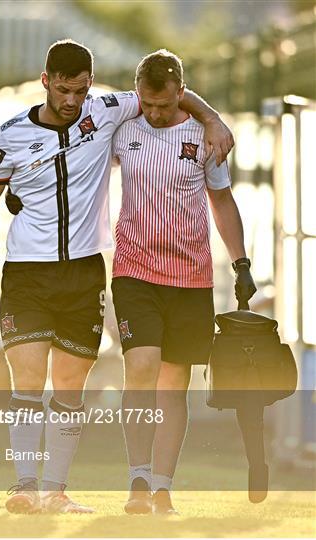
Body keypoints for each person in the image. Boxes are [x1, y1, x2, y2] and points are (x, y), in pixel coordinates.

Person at [0, 39, 234, 515]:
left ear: (91, 86)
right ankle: (25, 485)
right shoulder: (8, 134)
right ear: (45, 81)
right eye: (63, 90)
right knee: (28, 379)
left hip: (86, 272)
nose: (71, 101)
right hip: (27, 272)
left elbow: (174, 95)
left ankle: (55, 490)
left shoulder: (109, 110)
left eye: (80, 90)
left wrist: (212, 118)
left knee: (71, 386)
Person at [111, 49, 256, 514]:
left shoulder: (204, 136)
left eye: (165, 105)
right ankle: (136, 479)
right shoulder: (122, 126)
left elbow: (222, 202)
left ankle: (162, 486)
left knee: (174, 385)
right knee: (141, 368)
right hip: (134, 271)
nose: (154, 113)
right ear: (138, 94)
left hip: (191, 278)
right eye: (147, 104)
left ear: (180, 94)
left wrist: (241, 263)